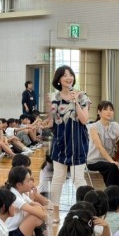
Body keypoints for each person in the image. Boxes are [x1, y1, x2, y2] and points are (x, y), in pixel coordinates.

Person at [44, 66, 90, 214]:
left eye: (71, 74)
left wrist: (75, 102)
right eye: (65, 75)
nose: (69, 77)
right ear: (58, 79)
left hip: (78, 143)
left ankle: (84, 210)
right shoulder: (53, 98)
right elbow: (52, 123)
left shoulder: (82, 96)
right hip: (60, 143)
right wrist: (41, 124)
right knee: (58, 178)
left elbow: (84, 120)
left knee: (78, 179)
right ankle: (55, 212)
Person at [87, 101, 119, 189]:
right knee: (112, 167)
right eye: (106, 109)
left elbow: (117, 143)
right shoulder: (93, 127)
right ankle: (109, 193)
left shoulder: (115, 126)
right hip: (95, 160)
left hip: (110, 160)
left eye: (111, 110)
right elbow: (100, 147)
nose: (109, 112)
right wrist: (111, 161)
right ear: (99, 112)